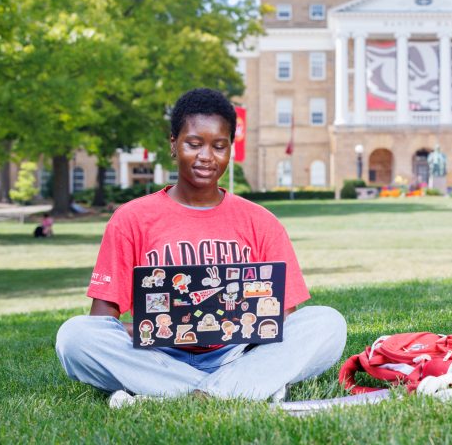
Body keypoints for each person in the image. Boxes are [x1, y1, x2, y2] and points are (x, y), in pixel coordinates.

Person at [55, 88, 347, 406]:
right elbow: (101, 321)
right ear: (173, 144)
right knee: (75, 336)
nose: (206, 156)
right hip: (158, 356)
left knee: (328, 323)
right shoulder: (131, 219)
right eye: (194, 144)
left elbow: (284, 320)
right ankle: (244, 389)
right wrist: (143, 329)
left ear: (230, 149)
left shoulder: (261, 221)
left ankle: (181, 393)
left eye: (219, 146)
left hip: (238, 353)